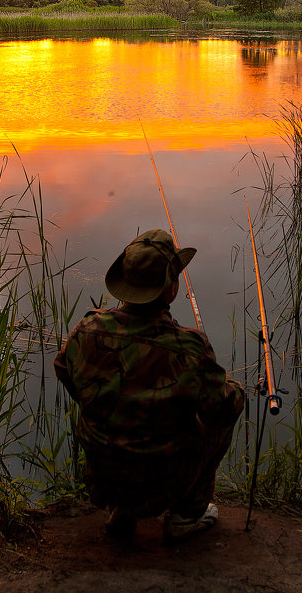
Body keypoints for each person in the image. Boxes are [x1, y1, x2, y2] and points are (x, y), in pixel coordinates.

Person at [53, 229, 245, 541]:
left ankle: (121, 508)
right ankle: (185, 513)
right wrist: (234, 389)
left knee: (101, 407)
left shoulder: (87, 329)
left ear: (125, 284)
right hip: (165, 485)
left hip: (105, 480)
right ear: (170, 290)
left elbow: (63, 370)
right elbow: (221, 409)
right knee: (227, 403)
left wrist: (108, 403)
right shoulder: (189, 348)